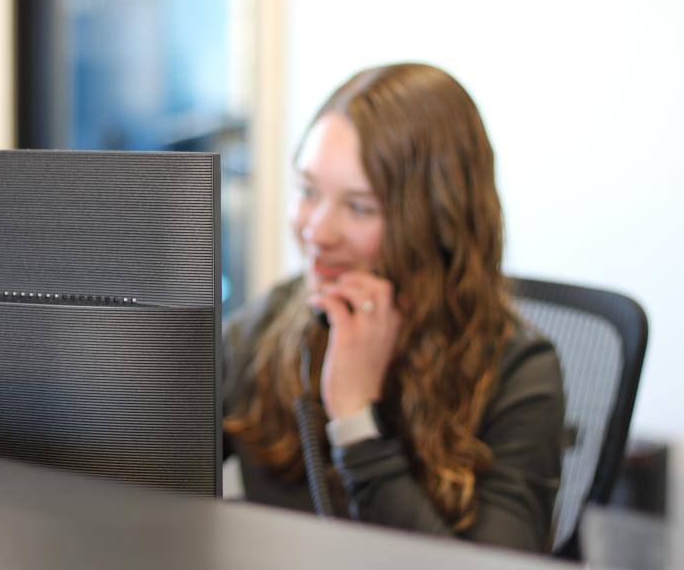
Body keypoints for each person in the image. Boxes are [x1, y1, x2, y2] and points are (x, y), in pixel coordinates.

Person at [222, 63, 565, 553]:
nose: (317, 231)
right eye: (308, 191)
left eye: (359, 207)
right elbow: (133, 454)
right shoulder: (275, 321)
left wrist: (356, 420)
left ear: (438, 221)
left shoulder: (519, 373)